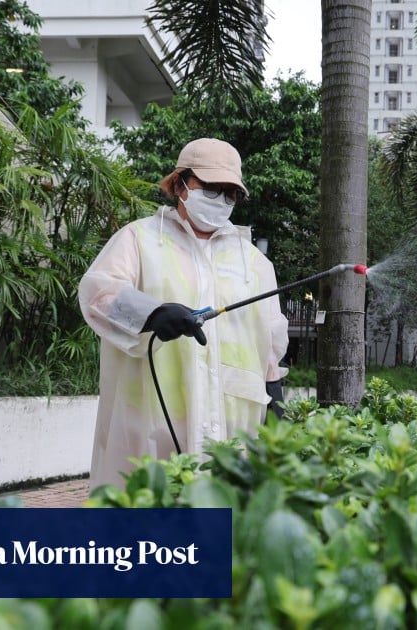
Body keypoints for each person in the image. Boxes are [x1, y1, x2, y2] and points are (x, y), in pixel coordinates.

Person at [78, 138, 289, 489]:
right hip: (148, 421)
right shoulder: (139, 240)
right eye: (210, 187)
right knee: (148, 524)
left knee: (222, 527)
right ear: (179, 184)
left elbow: (270, 342)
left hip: (233, 427)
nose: (221, 200)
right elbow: (99, 293)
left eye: (230, 193)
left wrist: (276, 404)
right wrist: (152, 314)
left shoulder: (255, 264)